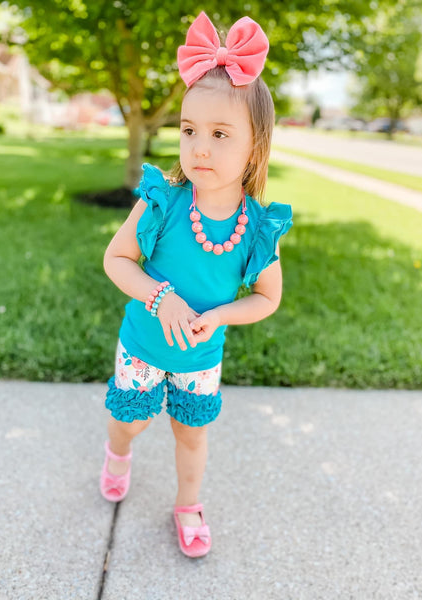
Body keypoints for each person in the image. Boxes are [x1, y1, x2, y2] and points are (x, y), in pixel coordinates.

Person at [100, 11, 293, 558]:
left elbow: (266, 297)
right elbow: (116, 260)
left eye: (220, 134)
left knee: (192, 435)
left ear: (255, 147)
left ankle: (188, 504)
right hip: (142, 343)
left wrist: (220, 316)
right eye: (189, 131)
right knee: (129, 423)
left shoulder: (257, 229)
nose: (199, 147)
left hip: (200, 357)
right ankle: (117, 455)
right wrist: (160, 296)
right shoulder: (163, 202)